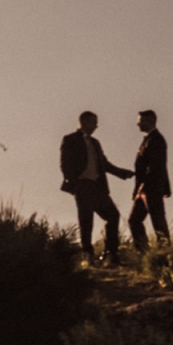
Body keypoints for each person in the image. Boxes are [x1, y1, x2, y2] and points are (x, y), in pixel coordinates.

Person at [60, 111, 133, 264]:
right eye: (94, 123)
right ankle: (87, 255)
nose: (96, 126)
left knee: (112, 215)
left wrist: (123, 173)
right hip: (82, 185)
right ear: (84, 122)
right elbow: (65, 164)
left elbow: (104, 164)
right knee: (86, 220)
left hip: (97, 186)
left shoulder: (95, 143)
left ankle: (110, 253)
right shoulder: (70, 139)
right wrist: (73, 184)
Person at [128, 109, 171, 252]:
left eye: (141, 121)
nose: (138, 124)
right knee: (135, 220)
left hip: (151, 188)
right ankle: (144, 251)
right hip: (146, 188)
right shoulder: (149, 139)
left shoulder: (156, 140)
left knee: (157, 220)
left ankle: (164, 250)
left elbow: (156, 166)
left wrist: (143, 186)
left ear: (150, 121)